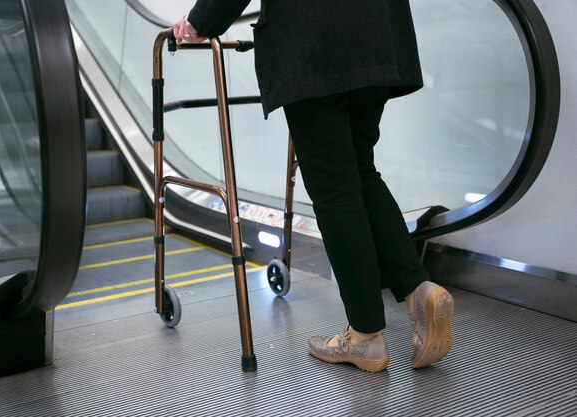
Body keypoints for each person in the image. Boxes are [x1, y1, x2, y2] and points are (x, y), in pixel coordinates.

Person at [173, 0, 454, 372]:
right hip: (378, 30)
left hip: (313, 39)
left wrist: (201, 21)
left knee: (333, 186)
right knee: (360, 168)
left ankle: (365, 335)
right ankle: (418, 289)